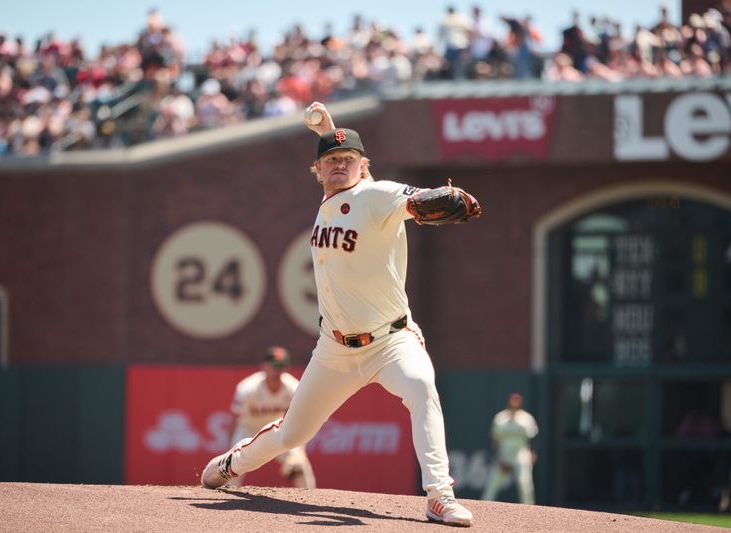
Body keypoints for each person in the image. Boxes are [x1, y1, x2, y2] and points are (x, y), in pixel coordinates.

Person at [201, 101, 481, 527]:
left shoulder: (378, 195)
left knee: (422, 386)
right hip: (334, 348)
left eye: (348, 160)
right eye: (331, 160)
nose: (339, 165)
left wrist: (427, 197)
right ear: (317, 170)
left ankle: (439, 496)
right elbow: (340, 176)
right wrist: (330, 130)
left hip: (391, 341)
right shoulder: (332, 200)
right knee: (293, 434)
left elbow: (406, 197)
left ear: (363, 166)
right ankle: (233, 463)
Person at [227, 346, 316, 489]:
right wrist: (229, 447)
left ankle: (309, 497)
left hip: (278, 432)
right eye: (274, 365)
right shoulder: (248, 388)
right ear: (264, 366)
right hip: (250, 431)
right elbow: (234, 418)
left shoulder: (293, 387)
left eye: (281, 366)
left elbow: (301, 422)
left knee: (300, 465)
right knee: (231, 466)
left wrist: (299, 452)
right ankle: (223, 496)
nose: (277, 370)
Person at [481, 393, 538, 504]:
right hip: (504, 454)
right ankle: (483, 507)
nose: (514, 403)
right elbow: (495, 440)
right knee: (492, 486)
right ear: (508, 402)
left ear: (520, 403)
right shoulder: (501, 418)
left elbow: (533, 437)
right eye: (512, 400)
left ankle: (530, 512)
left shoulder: (526, 418)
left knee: (525, 485)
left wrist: (533, 453)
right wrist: (498, 458)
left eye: (517, 401)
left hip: (521, 455)